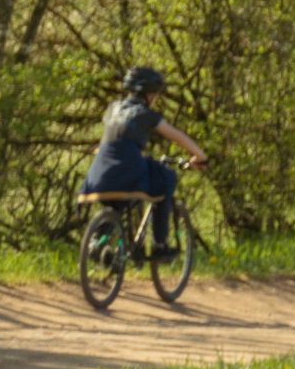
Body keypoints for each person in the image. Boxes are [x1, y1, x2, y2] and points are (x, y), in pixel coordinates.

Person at [79, 66, 209, 260]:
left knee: (118, 200)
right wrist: (200, 156)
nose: (156, 98)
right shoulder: (145, 114)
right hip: (127, 168)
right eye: (155, 94)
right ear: (148, 93)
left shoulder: (113, 108)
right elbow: (176, 136)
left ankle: (98, 240)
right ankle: (159, 244)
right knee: (166, 178)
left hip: (98, 171)